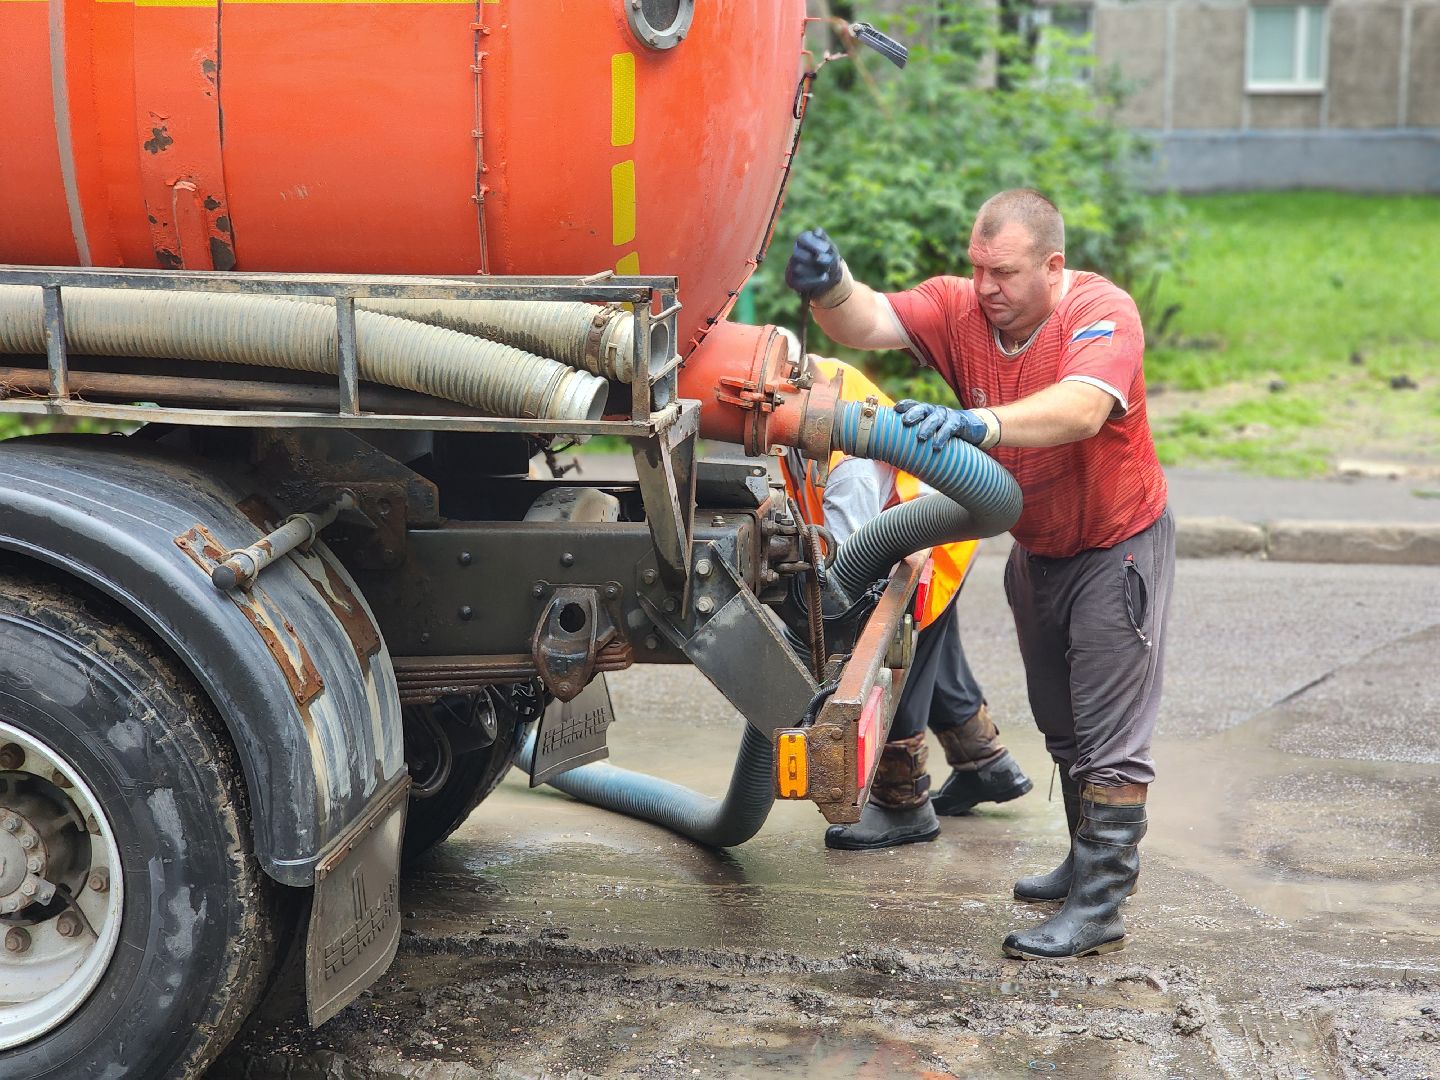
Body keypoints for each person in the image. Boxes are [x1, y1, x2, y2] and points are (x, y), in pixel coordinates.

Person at [783, 189, 1174, 960]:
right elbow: (865, 320)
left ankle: (1101, 906)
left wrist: (978, 424)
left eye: (1004, 271)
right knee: (1062, 723)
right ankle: (1079, 863)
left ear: (1052, 267)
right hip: (1040, 549)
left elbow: (1083, 408)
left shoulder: (1099, 312)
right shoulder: (961, 310)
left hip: (1116, 545)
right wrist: (828, 283)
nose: (986, 285)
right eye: (977, 267)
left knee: (1111, 738)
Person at [777, 355, 1033, 852]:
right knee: (938, 655)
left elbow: (856, 584)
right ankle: (986, 764)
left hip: (925, 544)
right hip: (942, 518)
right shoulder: (817, 376)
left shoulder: (845, 471)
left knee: (897, 657)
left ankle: (903, 803)